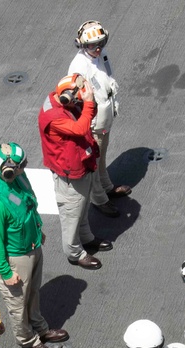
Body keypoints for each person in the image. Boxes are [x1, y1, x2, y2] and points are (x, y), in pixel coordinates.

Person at [0, 142, 70, 348]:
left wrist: (38, 228)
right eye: (22, 165)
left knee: (33, 292)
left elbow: (29, 204)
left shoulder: (17, 178)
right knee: (17, 303)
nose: (24, 167)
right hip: (16, 257)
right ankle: (28, 341)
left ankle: (39, 327)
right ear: (7, 169)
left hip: (32, 245)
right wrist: (6, 272)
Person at [38, 73, 113, 271]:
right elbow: (80, 129)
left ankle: (86, 238)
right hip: (69, 175)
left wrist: (88, 102)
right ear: (67, 97)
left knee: (82, 206)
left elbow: (88, 115)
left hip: (82, 165)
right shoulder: (53, 117)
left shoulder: (65, 103)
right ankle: (74, 252)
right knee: (72, 213)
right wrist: (87, 104)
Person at [68, 20, 132, 217]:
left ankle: (106, 186)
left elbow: (107, 78)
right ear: (82, 45)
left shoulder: (101, 55)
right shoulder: (79, 66)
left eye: (100, 43)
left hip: (105, 118)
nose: (97, 48)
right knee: (93, 163)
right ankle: (100, 199)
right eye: (91, 45)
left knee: (101, 157)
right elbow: (76, 99)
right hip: (94, 123)